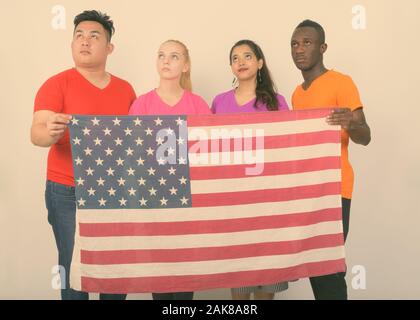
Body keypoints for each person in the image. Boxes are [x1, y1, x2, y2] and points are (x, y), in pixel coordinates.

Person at [31, 10, 136, 300]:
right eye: (79, 35)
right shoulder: (56, 84)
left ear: (109, 47)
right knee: (72, 264)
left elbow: (135, 143)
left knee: (115, 267)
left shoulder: (126, 90)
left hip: (115, 191)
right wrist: (49, 131)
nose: (85, 41)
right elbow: (36, 133)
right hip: (67, 190)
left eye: (94, 36)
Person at [290, 19, 371, 300]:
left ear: (322, 47)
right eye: (295, 44)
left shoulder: (342, 82)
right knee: (315, 262)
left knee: (329, 266)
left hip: (336, 188)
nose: (299, 49)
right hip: (309, 189)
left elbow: (365, 136)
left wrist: (350, 121)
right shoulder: (296, 95)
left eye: (307, 42)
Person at [129, 39, 211, 300]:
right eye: (162, 55)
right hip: (155, 198)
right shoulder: (142, 104)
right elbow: (133, 154)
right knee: (160, 268)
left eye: (174, 56)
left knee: (186, 267)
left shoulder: (198, 104)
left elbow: (209, 152)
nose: (166, 60)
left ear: (185, 65)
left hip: (189, 198)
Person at [211, 39, 289, 300]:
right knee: (239, 285)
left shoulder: (277, 103)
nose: (241, 62)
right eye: (235, 58)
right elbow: (209, 149)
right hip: (234, 204)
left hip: (268, 203)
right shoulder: (219, 103)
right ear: (231, 66)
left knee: (266, 286)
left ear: (259, 63)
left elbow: (287, 146)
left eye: (247, 56)